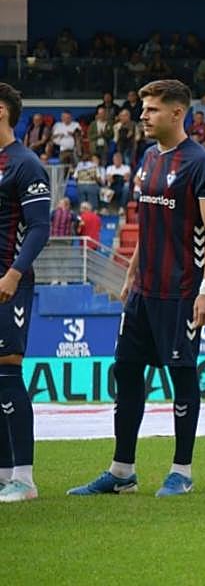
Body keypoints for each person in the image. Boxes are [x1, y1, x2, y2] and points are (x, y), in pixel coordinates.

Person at [69, 79, 205, 498]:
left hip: (182, 293)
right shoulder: (149, 159)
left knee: (182, 374)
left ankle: (182, 471)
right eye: (143, 109)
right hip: (145, 292)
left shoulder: (201, 163)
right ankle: (122, 471)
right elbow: (149, 224)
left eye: (152, 109)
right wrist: (131, 272)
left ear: (178, 113)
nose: (142, 115)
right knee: (125, 370)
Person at [0, 84, 51, 502]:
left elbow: (39, 227)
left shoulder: (25, 164)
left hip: (7, 281)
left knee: (7, 370)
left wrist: (14, 275)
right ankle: (3, 473)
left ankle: (25, 477)